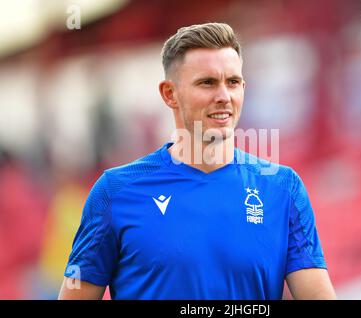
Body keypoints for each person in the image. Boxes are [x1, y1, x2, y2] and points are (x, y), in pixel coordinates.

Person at [58, 22, 336, 300]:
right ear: (170, 94)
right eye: (207, 83)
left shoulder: (282, 188)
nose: (224, 97)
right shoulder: (115, 192)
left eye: (233, 82)